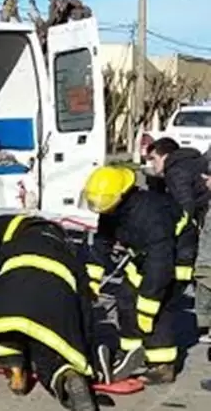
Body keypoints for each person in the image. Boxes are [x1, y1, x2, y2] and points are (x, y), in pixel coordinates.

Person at [0, 214, 116, 411]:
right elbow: (84, 308)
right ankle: (66, 375)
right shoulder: (69, 254)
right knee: (47, 354)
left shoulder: (11, 243)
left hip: (8, 301)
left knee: (6, 328)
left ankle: (15, 370)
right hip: (52, 304)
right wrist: (84, 351)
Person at [81, 165, 197, 384]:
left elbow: (160, 263)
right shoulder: (113, 210)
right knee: (126, 297)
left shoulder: (150, 214)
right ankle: (132, 352)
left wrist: (147, 304)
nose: (101, 210)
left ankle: (162, 365)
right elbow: (102, 243)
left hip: (175, 259)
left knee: (155, 308)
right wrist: (90, 281)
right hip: (145, 256)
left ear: (122, 195)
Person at [147, 136, 211, 341]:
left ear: (165, 156)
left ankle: (206, 323)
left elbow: (185, 207)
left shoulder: (175, 172)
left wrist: (171, 233)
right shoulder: (190, 162)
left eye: (153, 159)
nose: (152, 164)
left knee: (204, 270)